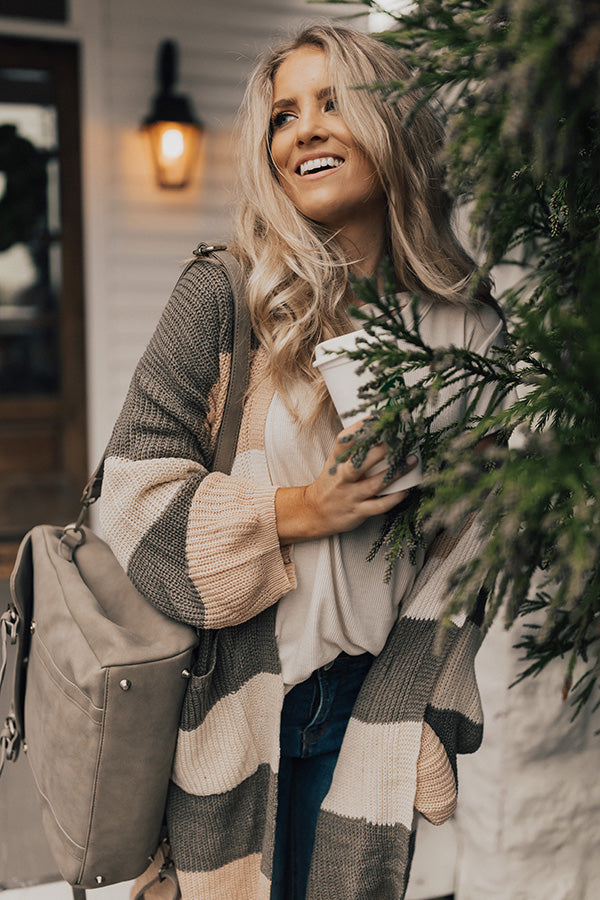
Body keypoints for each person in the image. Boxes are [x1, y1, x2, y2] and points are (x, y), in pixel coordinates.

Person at [100, 24, 509, 900]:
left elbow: (471, 554)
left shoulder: (466, 330)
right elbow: (128, 501)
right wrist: (301, 511)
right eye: (284, 115)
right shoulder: (228, 294)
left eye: (334, 102)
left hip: (367, 703)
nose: (304, 130)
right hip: (221, 704)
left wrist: (414, 709)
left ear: (396, 122)